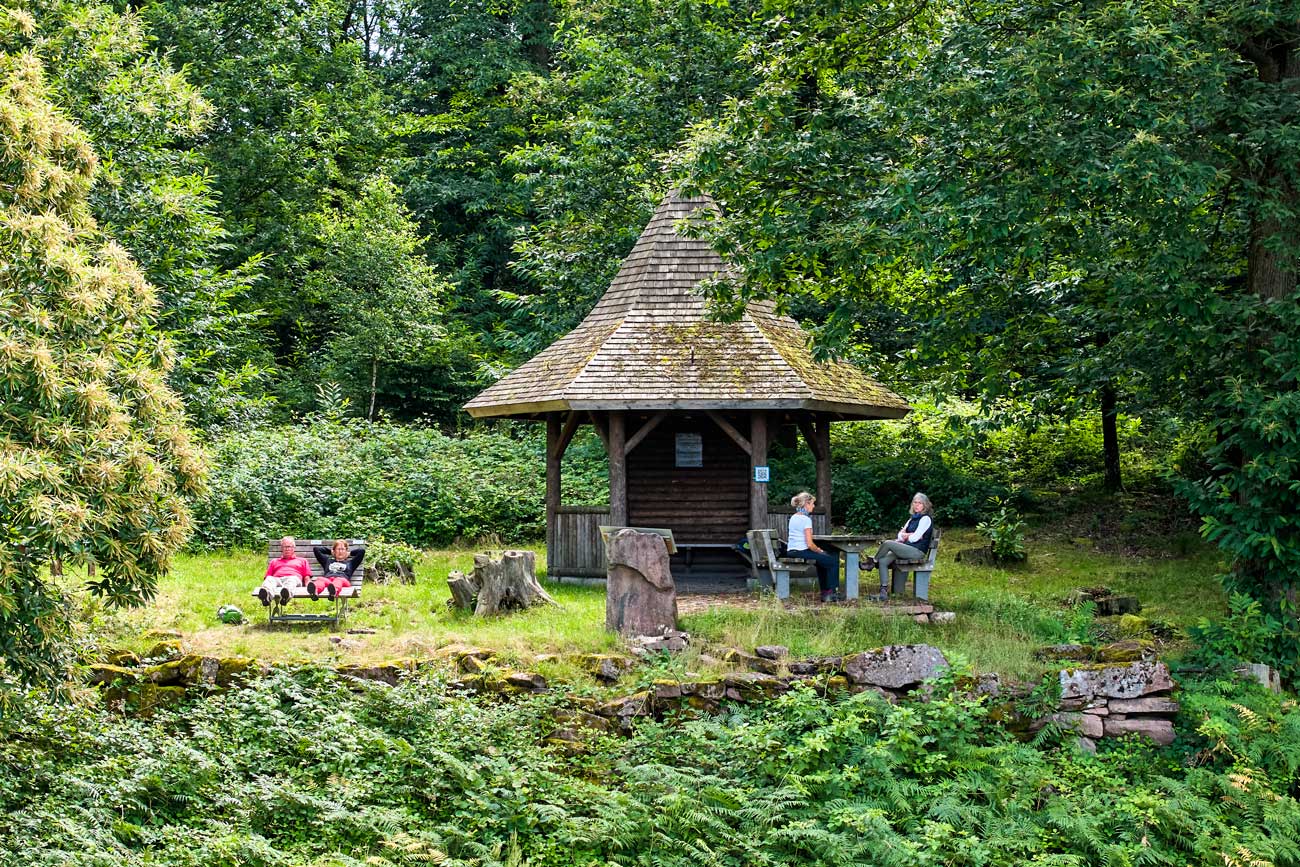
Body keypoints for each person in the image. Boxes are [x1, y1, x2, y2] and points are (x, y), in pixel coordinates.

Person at [868, 493, 935, 601]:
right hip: (907, 548)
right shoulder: (912, 519)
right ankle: (883, 591)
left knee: (888, 543)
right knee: (883, 561)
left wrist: (908, 535)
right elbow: (900, 535)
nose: (916, 505)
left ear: (925, 505)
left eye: (920, 503)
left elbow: (914, 539)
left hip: (917, 551)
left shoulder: (925, 519)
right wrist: (909, 535)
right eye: (915, 502)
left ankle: (872, 562)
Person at [785, 491, 840, 603]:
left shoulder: (794, 517)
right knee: (832, 560)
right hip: (801, 551)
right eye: (812, 503)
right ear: (806, 504)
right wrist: (819, 550)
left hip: (792, 551)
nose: (813, 506)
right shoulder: (806, 520)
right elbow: (810, 544)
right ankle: (832, 593)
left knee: (822, 561)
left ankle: (826, 593)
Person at [259, 536, 311, 606]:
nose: (287, 549)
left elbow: (307, 578)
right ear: (281, 548)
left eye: (289, 546)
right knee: (270, 579)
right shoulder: (274, 561)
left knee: (291, 580)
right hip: (277, 580)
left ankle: (285, 596)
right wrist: (266, 584)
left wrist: (309, 587)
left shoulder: (302, 561)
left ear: (294, 548)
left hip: (293, 579)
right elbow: (267, 577)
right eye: (285, 547)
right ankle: (266, 598)